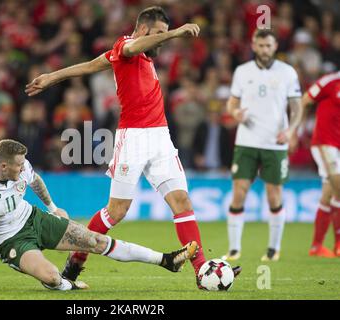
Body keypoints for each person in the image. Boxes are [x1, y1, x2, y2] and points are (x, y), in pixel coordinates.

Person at [25, 6, 241, 288]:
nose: (162, 41)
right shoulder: (125, 46)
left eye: (165, 34)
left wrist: (52, 76)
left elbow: (90, 65)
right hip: (133, 139)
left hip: (161, 138)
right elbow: (128, 48)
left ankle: (201, 271)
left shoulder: (139, 56)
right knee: (116, 211)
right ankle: (76, 261)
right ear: (142, 30)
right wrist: (176, 33)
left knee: (182, 202)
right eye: (158, 35)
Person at [0, 139, 198, 290]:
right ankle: (66, 285)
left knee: (96, 240)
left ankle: (166, 261)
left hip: (33, 219)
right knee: (51, 277)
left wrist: (53, 208)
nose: (23, 169)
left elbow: (36, 181)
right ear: (2, 166)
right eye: (18, 166)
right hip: (8, 241)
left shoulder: (21, 168)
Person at [223, 29, 303, 262]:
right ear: (254, 45)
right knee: (239, 193)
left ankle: (273, 249)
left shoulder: (287, 73)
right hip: (246, 141)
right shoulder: (242, 71)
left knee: (273, 196)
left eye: (268, 46)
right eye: (261, 45)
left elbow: (297, 107)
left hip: (275, 143)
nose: (265, 50)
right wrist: (235, 112)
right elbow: (232, 103)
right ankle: (234, 250)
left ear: (275, 46)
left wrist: (291, 130)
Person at [302, 71, 340, 258]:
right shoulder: (330, 81)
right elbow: (305, 100)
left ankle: (317, 246)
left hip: (338, 145)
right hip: (325, 143)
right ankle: (338, 244)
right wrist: (295, 131)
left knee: (329, 193)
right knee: (338, 189)